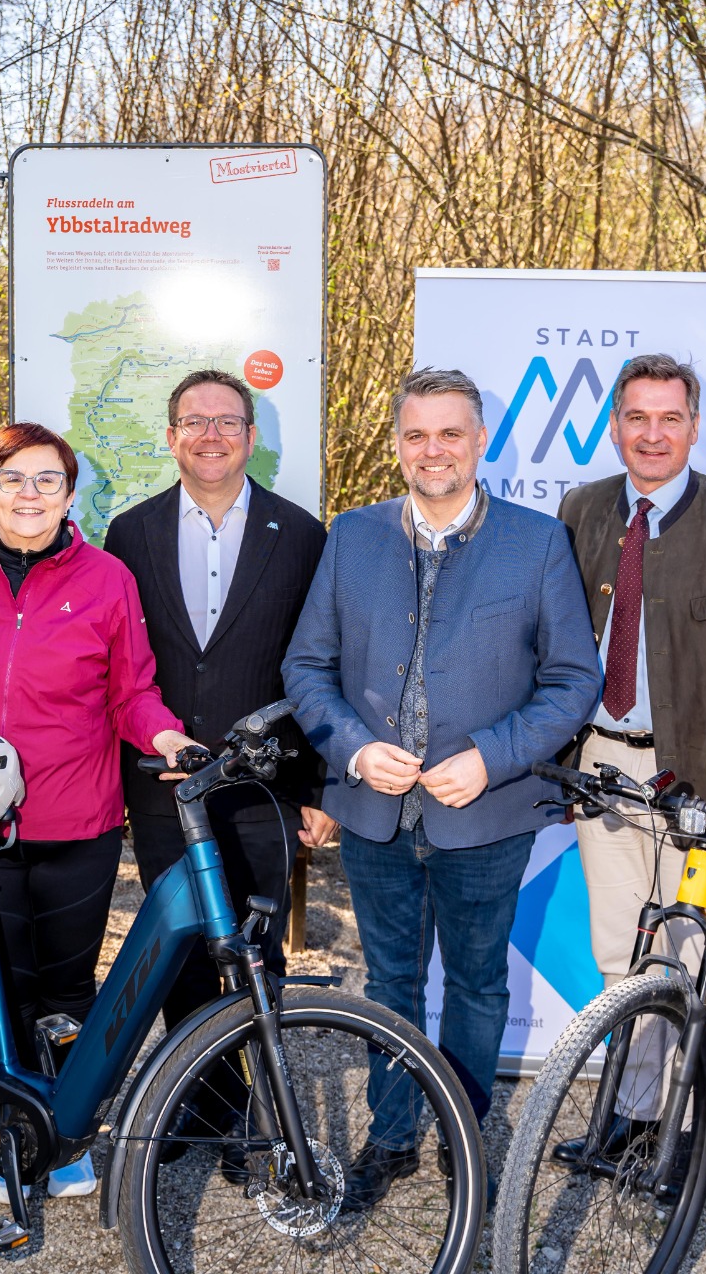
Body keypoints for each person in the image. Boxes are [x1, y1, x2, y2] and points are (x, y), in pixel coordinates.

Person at [283, 366, 601, 1206]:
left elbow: (573, 681)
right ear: (397, 443)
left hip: (487, 813)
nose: (434, 450)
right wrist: (354, 751)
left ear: (480, 440)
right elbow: (307, 667)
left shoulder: (538, 542)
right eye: (416, 434)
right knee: (389, 984)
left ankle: (464, 1135)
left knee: (477, 983)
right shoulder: (352, 536)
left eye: (450, 433)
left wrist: (492, 757)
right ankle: (390, 1138)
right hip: (374, 812)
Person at [0, 421, 198, 1200]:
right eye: (13, 479)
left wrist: (166, 736)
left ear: (69, 494)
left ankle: (64, 1137)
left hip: (76, 820)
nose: (29, 495)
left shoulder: (108, 579)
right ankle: (10, 1136)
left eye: (47, 480)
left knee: (66, 988)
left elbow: (131, 692)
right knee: (0, 989)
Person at [554, 352, 706, 1163]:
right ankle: (631, 1119)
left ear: (695, 427)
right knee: (620, 954)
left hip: (703, 777)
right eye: (637, 417)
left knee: (692, 956)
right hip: (604, 768)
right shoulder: (583, 509)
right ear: (614, 426)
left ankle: (684, 1134)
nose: (652, 434)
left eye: (669, 419)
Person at [103, 368, 333, 1043]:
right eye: (195, 422)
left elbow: (321, 666)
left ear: (251, 437)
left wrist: (318, 788)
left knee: (258, 960)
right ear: (171, 436)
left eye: (228, 421)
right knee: (180, 956)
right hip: (164, 790)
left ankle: (257, 1105)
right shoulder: (130, 533)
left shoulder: (301, 535)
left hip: (263, 790)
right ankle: (192, 1096)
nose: (212, 434)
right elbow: (120, 665)